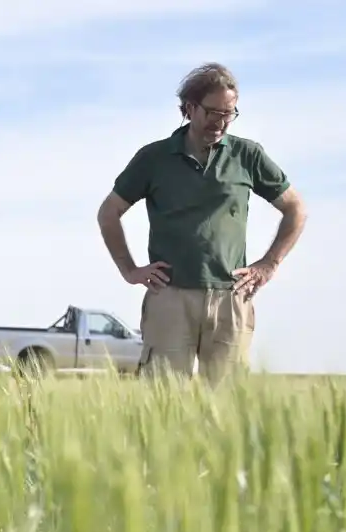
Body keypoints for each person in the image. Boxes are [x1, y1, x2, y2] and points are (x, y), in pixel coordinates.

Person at [96, 62, 308, 384]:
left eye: (229, 113)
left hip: (230, 296)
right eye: (213, 112)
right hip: (169, 296)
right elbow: (108, 212)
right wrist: (129, 269)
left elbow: (295, 208)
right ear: (190, 108)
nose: (221, 122)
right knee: (160, 402)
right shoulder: (154, 158)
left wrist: (269, 263)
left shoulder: (247, 156)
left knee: (226, 409)